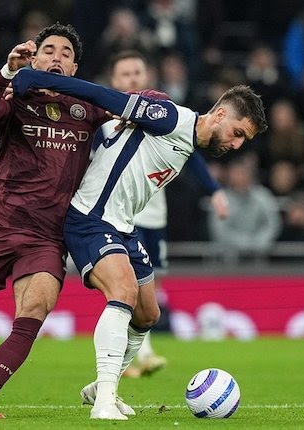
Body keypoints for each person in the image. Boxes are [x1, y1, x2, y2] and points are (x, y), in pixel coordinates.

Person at [10, 67, 267, 419]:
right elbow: (103, 96)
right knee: (124, 292)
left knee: (148, 314)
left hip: (122, 228)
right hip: (90, 218)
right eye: (237, 133)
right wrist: (36, 78)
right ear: (220, 114)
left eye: (243, 141)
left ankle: (101, 387)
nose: (236, 145)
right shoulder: (171, 118)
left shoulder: (187, 140)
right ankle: (104, 401)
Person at [0, 24, 109, 419]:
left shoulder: (90, 110)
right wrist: (7, 71)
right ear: (34, 59)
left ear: (75, 67)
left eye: (66, 53)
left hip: (47, 236)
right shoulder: (17, 97)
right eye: (48, 49)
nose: (56, 57)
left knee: (32, 313)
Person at [102, 50, 229, 379]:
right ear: (114, 82)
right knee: (128, 285)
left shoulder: (162, 117)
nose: (132, 79)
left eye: (137, 73)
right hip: (120, 217)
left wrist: (214, 190)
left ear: (147, 78)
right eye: (125, 74)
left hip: (154, 214)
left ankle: (132, 356)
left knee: (149, 289)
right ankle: (141, 355)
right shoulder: (101, 126)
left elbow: (195, 152)